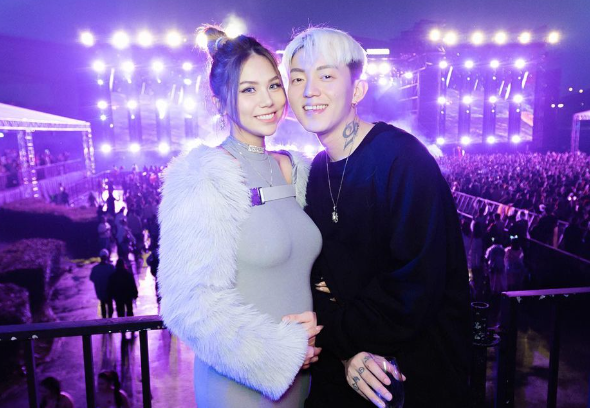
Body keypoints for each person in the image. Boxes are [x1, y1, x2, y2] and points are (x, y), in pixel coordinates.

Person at [282, 27, 471, 408]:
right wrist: (345, 351)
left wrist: (329, 332)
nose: (309, 91)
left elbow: (414, 288)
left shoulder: (402, 159)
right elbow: (317, 278)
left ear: (357, 91)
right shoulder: (317, 171)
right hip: (345, 369)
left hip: (412, 375)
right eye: (298, 79)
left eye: (326, 76)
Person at [157, 26, 323, 407]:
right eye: (248, 90)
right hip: (243, 386)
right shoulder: (204, 174)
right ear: (220, 103)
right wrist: (280, 354)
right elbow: (187, 304)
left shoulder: (293, 169)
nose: (267, 100)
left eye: (273, 85)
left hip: (303, 380)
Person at [90, 249, 115, 318]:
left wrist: (99, 282)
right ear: (107, 257)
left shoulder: (95, 269)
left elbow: (92, 278)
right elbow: (115, 278)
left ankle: (104, 321)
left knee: (103, 306)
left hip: (100, 291)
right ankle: (110, 320)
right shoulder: (111, 267)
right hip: (109, 291)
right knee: (110, 307)